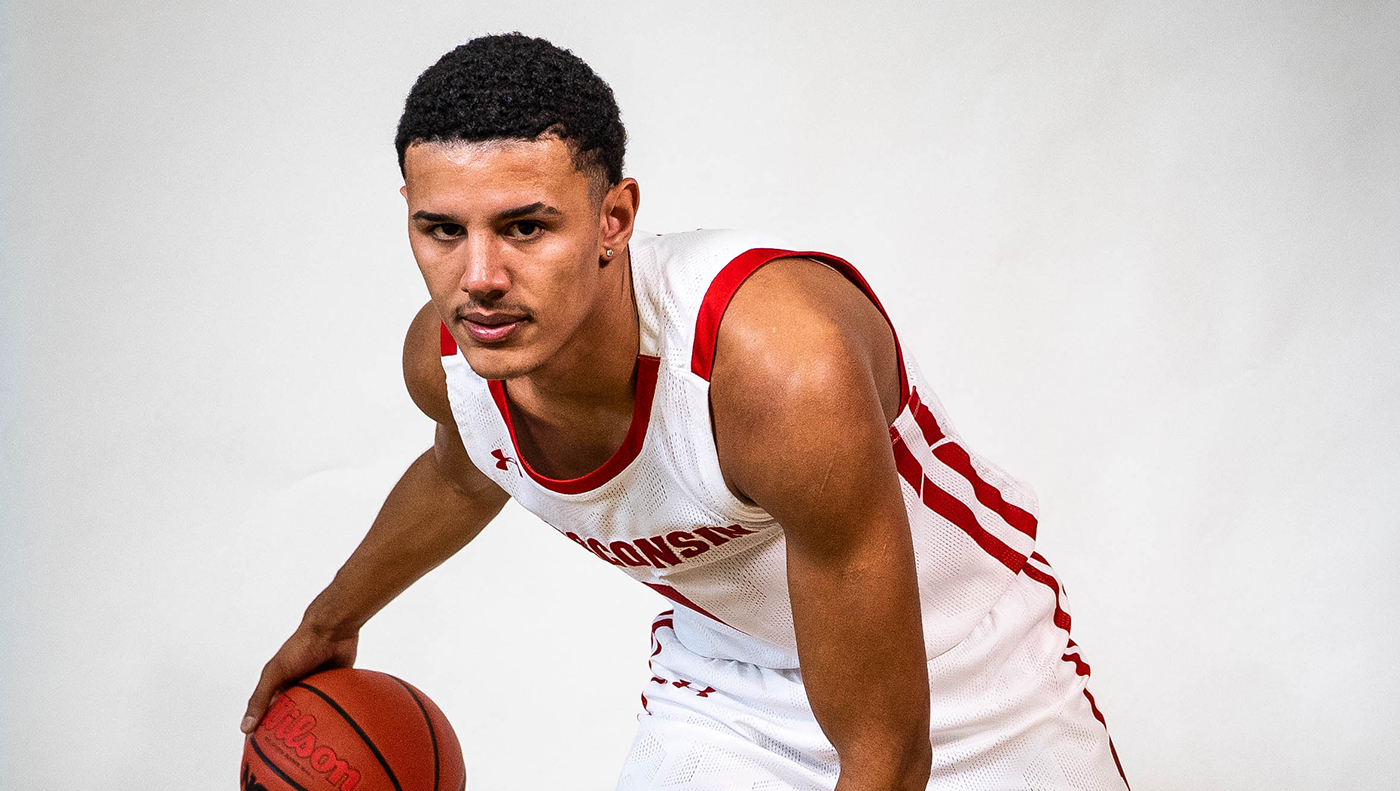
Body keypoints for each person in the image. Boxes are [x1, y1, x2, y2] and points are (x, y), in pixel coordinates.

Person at [241, 33, 1129, 791]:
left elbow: (887, 752)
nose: (478, 278)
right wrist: (329, 622)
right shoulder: (451, 363)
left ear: (614, 219)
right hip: (728, 688)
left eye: (525, 227)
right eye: (443, 229)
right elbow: (464, 467)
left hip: (967, 672)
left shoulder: (776, 371)